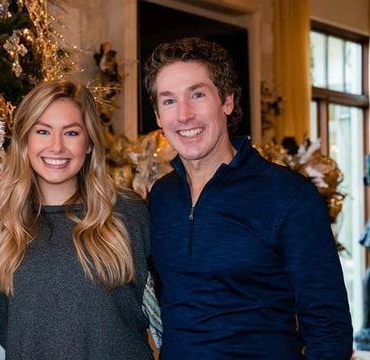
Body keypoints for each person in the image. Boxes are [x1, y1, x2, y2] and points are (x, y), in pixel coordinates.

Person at [144, 37, 352, 359]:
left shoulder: (289, 195)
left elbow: (329, 328)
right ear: (158, 115)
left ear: (226, 101)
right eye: (168, 101)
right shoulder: (161, 196)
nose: (183, 115)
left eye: (197, 95)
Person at [0, 79, 154, 359]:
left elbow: (164, 309)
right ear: (25, 141)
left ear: (89, 143)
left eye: (71, 133)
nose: (56, 147)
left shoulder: (127, 213)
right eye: (42, 131)